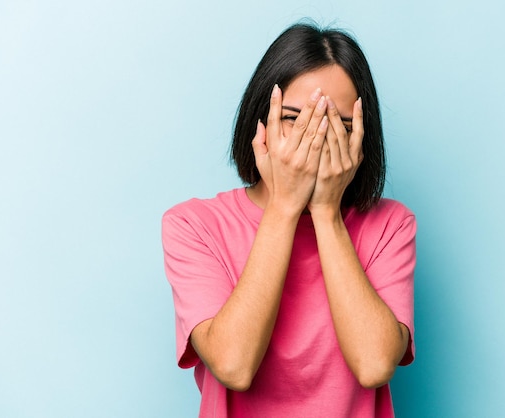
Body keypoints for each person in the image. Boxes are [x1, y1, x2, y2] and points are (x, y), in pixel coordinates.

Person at [162, 21, 416, 417]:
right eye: (294, 118)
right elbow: (233, 364)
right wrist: (284, 207)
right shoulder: (194, 225)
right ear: (260, 122)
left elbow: (375, 364)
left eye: (338, 125)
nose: (314, 139)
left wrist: (327, 213)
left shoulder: (390, 225)